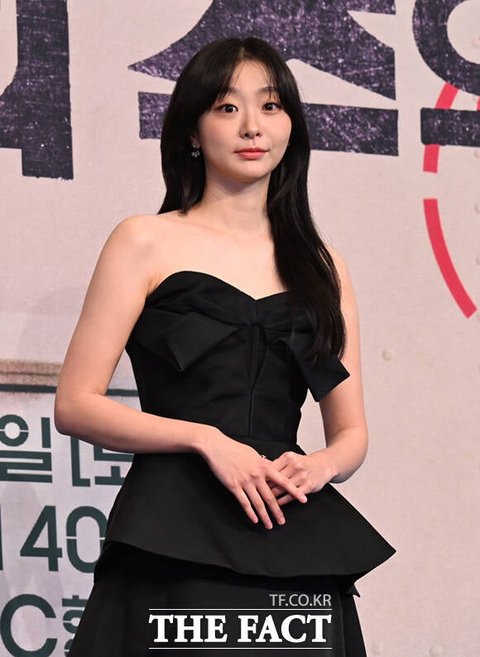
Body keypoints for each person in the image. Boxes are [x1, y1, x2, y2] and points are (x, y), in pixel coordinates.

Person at [55, 36, 395, 656]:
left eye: (270, 106)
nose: (251, 127)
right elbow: (76, 404)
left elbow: (351, 433)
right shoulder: (144, 241)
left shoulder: (324, 267)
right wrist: (206, 439)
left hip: (291, 527)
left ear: (291, 126)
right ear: (192, 129)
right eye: (227, 107)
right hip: (173, 532)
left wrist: (320, 466)